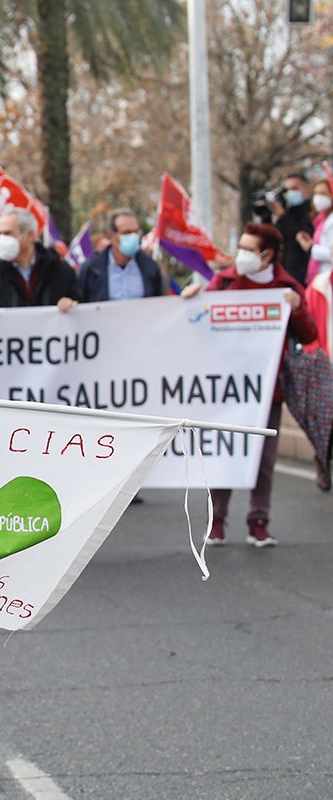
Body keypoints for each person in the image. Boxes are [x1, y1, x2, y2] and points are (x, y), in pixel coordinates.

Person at [181, 223, 317, 546]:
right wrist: (190, 299)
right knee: (227, 453)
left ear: (268, 255)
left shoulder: (287, 287)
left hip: (268, 390)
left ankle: (259, 522)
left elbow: (310, 334)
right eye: (240, 246)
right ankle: (217, 521)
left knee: (264, 460)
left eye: (248, 249)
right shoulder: (225, 282)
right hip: (229, 388)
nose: (241, 254)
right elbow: (198, 321)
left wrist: (297, 310)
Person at [0, 208, 80, 315]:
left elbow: (82, 308)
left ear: (30, 235)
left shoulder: (61, 272)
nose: (1, 240)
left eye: (7, 233)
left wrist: (71, 305)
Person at [77, 209, 165, 302]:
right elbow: (79, 302)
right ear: (111, 235)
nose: (133, 237)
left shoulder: (150, 267)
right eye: (126, 232)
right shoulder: (91, 269)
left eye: (136, 232)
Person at [272, 172, 314, 287]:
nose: (290, 193)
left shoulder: (312, 212)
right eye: (287, 190)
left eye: (294, 188)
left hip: (303, 274)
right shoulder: (287, 211)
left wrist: (283, 218)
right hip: (284, 271)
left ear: (307, 189)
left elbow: (302, 236)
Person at [295, 179, 333, 285]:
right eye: (316, 193)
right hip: (323, 278)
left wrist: (311, 248)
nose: (318, 197)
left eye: (323, 193)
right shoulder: (321, 220)